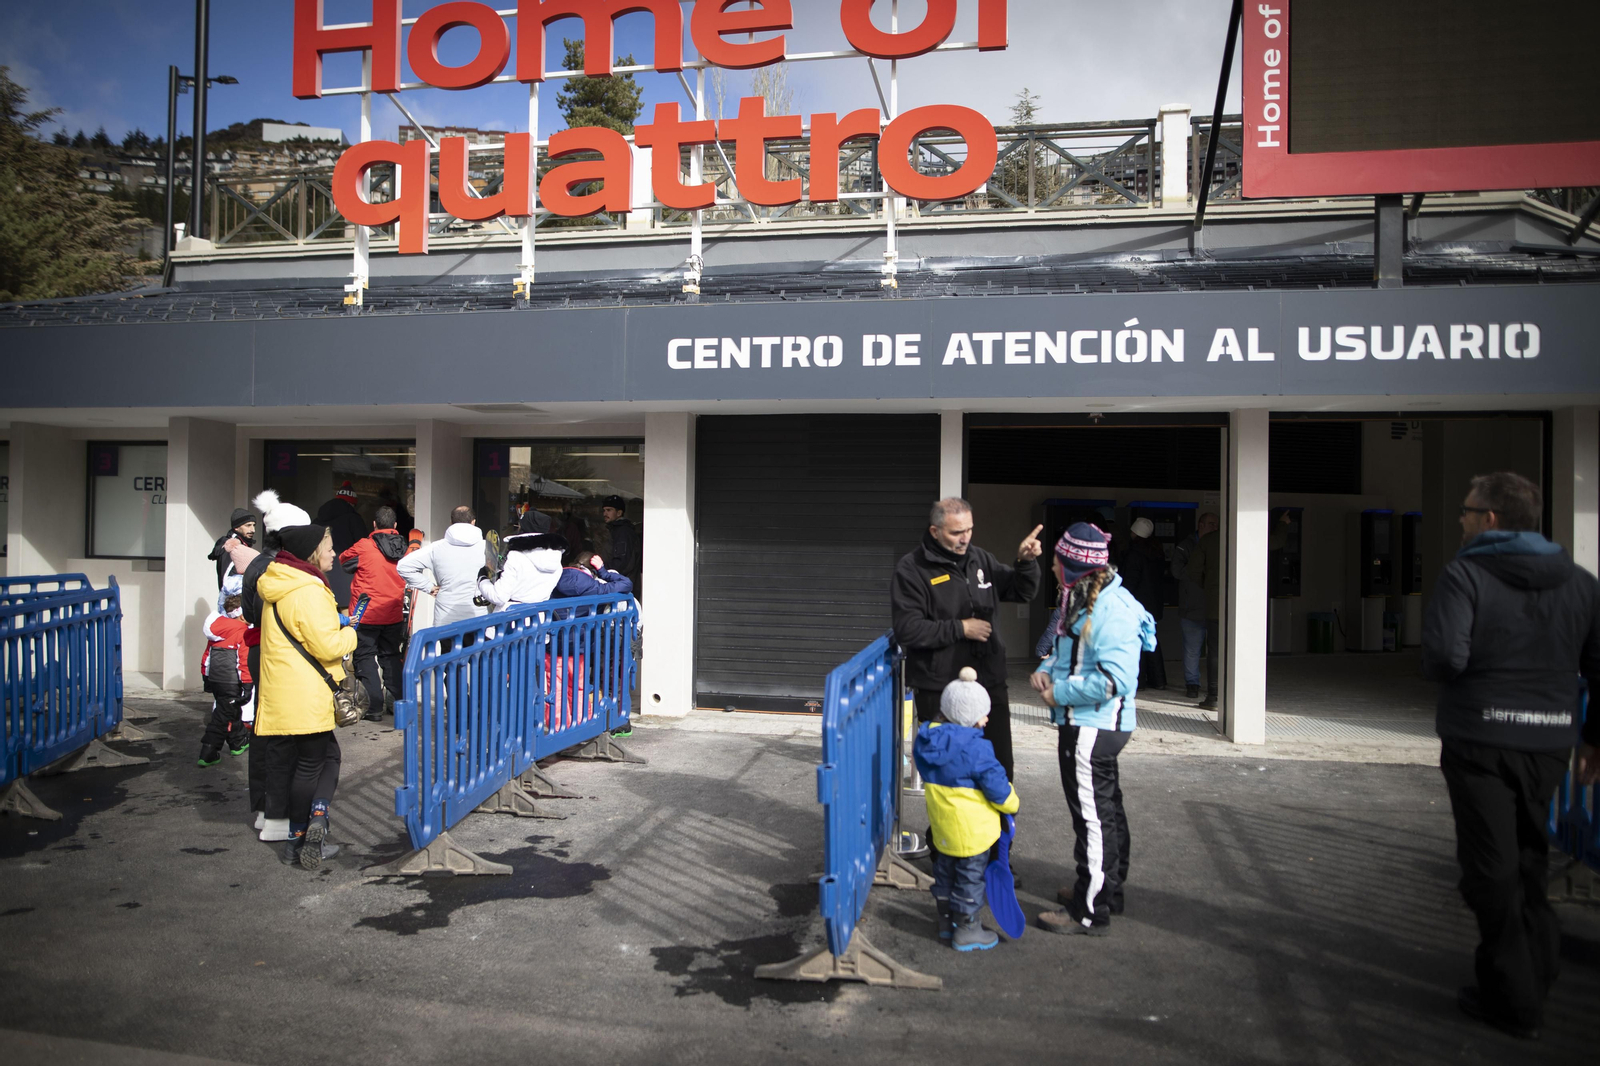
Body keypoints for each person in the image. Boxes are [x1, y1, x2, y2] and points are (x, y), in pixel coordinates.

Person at [1421, 471, 1600, 1040]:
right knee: (1528, 857)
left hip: (1480, 741)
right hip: (1548, 742)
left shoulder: (1465, 574)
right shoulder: (1580, 582)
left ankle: (1514, 996)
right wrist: (1592, 736)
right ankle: (1537, 969)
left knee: (1489, 869)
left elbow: (1447, 656)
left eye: (1468, 511)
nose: (1462, 520)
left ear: (1490, 519)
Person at [1032, 523, 1156, 936]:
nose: (1051, 567)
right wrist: (1047, 671)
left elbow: (1113, 680)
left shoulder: (1110, 609)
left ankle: (1090, 909)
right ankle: (1105, 892)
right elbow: (1069, 653)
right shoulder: (1087, 598)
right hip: (1091, 725)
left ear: (1071, 567)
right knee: (1106, 812)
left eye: (1055, 561)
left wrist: (1058, 694)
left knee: (1093, 820)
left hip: (1092, 728)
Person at [891, 498, 1043, 782]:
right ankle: (946, 829)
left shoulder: (980, 559)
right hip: (940, 688)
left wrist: (1026, 562)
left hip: (989, 684)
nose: (965, 539)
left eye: (969, 530)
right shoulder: (912, 569)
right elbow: (908, 630)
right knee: (953, 779)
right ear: (935, 531)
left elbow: (1021, 592)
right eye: (956, 533)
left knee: (998, 772)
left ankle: (997, 827)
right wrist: (961, 628)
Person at [255, 521, 358, 871]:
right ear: (313, 552)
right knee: (316, 762)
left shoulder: (281, 583)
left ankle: (312, 824)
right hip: (306, 691)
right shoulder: (309, 589)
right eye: (328, 547)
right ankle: (301, 836)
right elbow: (328, 646)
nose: (333, 552)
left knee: (321, 758)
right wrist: (351, 636)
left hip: (284, 689)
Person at [914, 667, 1020, 952]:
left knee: (945, 875)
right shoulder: (977, 751)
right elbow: (998, 788)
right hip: (973, 834)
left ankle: (947, 923)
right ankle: (968, 929)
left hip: (943, 829)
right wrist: (1012, 803)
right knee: (971, 880)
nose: (986, 719)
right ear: (969, 718)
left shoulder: (927, 743)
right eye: (982, 714)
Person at [340, 506, 408, 721]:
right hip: (393, 612)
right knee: (391, 657)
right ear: (395, 526)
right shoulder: (404, 547)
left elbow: (344, 561)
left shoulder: (364, 546)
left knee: (365, 657)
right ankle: (398, 704)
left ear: (374, 525)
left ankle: (373, 707)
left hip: (366, 613)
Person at [398, 506, 493, 633]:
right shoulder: (487, 548)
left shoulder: (436, 547)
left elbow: (403, 566)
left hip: (446, 619)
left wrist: (429, 587)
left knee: (448, 653)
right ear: (473, 522)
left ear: (451, 522)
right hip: (479, 616)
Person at [197, 593, 258, 767]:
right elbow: (244, 660)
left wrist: (206, 677)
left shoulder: (218, 632)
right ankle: (208, 751)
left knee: (229, 708)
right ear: (241, 614)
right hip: (232, 681)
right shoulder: (242, 632)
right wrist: (248, 684)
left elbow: (207, 656)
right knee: (222, 716)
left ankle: (238, 741)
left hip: (217, 679)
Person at [1169, 511, 1217, 700]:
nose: (1216, 528)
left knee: (1216, 651)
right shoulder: (1186, 546)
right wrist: (1199, 569)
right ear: (1201, 525)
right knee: (1192, 649)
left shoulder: (1219, 545)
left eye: (1217, 524)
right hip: (1191, 608)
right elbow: (1176, 571)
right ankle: (1192, 684)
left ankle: (1217, 686)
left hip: (1214, 608)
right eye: (1212, 523)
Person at [1119, 517, 1168, 691]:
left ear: (1135, 533)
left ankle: (1138, 681)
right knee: (1151, 639)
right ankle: (1159, 680)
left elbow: (1131, 582)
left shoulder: (1134, 554)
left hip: (1137, 604)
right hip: (1154, 604)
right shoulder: (1157, 552)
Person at [1182, 514, 1223, 710]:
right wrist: (1282, 525)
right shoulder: (1246, 536)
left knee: (1213, 651)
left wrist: (1208, 587)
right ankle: (1238, 693)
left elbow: (1192, 571)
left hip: (1216, 605)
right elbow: (1274, 542)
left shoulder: (1208, 541)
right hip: (1245, 607)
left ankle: (1214, 696)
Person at [315, 482, 368, 608]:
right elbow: (364, 547)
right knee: (347, 620)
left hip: (321, 576)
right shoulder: (354, 519)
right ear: (352, 503)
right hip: (347, 578)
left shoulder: (318, 520)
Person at [601, 495, 641, 594]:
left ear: (619, 513)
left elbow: (621, 562)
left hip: (622, 586)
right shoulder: (615, 530)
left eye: (609, 510)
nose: (605, 514)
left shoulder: (623, 532)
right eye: (604, 510)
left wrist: (601, 570)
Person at [208, 508, 257, 589]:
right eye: (248, 525)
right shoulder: (231, 546)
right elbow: (226, 580)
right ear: (236, 527)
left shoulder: (242, 543)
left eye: (254, 525)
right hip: (234, 599)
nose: (253, 530)